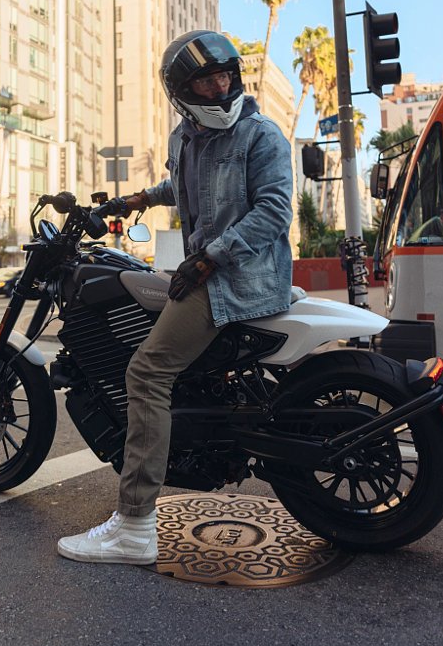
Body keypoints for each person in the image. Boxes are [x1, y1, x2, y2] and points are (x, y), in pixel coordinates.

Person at [57, 31, 293, 564]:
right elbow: (177, 188)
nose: (220, 86)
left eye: (225, 75)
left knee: (145, 373)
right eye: (207, 80)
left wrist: (210, 257)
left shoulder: (261, 136)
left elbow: (275, 211)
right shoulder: (185, 139)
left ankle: (135, 525)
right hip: (206, 270)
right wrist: (130, 200)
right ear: (183, 92)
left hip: (242, 277)